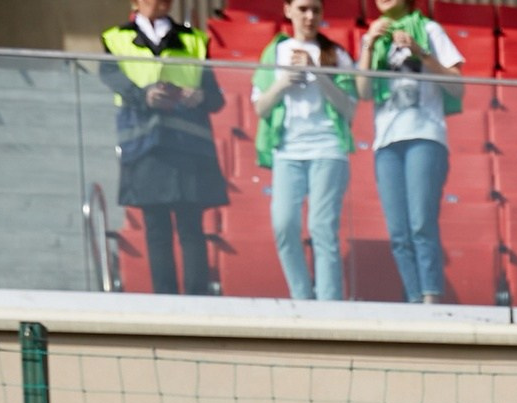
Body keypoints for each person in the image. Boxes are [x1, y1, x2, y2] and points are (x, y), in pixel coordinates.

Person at [99, 0, 227, 295]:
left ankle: (198, 300)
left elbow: (215, 97)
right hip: (145, 144)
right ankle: (164, 299)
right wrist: (143, 95)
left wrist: (199, 95)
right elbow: (112, 78)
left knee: (191, 228)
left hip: (188, 145)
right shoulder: (114, 38)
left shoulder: (194, 39)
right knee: (156, 230)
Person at [253, 0, 356, 300]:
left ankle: (328, 303)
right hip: (287, 149)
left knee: (321, 227)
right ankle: (301, 298)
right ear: (287, 10)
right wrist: (284, 81)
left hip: (327, 147)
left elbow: (350, 109)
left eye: (316, 10)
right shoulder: (274, 52)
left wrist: (319, 74)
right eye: (302, 9)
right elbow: (261, 106)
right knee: (284, 225)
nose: (310, 16)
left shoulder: (336, 54)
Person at [360, 0, 460, 303]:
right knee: (399, 231)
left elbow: (458, 85)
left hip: (424, 135)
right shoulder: (373, 35)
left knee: (420, 222)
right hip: (387, 142)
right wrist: (368, 46)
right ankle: (415, 299)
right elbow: (363, 92)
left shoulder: (430, 29)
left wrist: (421, 53)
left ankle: (431, 296)